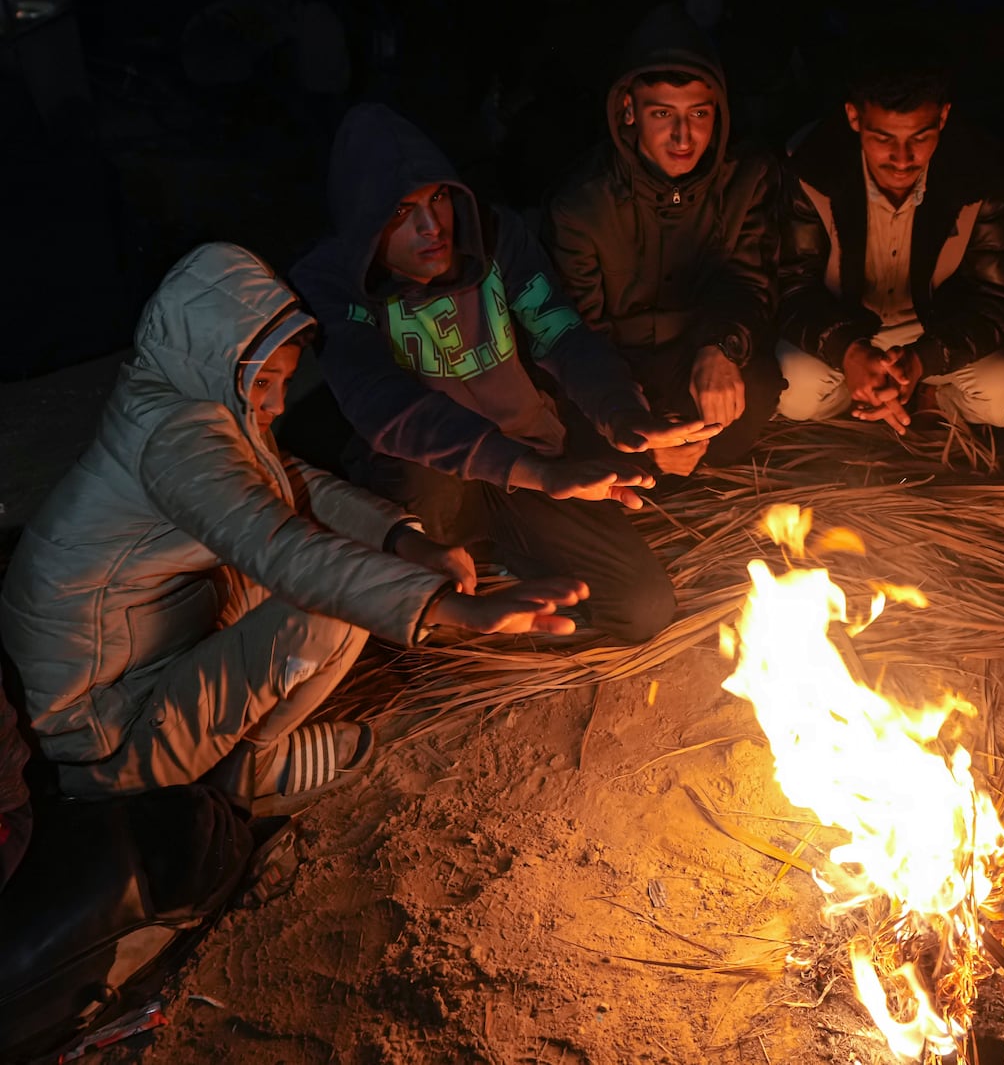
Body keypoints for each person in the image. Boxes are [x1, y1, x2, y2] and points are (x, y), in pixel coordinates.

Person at [0, 243, 586, 804]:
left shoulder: (176, 400)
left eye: (283, 383)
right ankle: (249, 766)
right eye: (263, 383)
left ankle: (234, 745)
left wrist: (404, 540)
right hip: (104, 733)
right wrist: (453, 607)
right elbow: (283, 549)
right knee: (332, 603)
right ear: (215, 357)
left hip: (120, 668)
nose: (278, 405)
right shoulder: (176, 441)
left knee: (330, 564)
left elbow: (294, 486)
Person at [293, 103, 715, 644]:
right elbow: (383, 406)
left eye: (439, 199)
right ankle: (453, 581)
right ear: (365, 220)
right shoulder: (333, 279)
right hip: (426, 482)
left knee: (643, 608)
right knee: (414, 629)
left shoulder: (491, 237)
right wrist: (534, 472)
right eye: (401, 212)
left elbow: (561, 333)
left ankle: (513, 558)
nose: (431, 227)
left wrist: (625, 415)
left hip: (529, 457)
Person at [543, 3, 782, 478]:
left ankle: (697, 464)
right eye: (662, 114)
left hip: (697, 355)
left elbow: (750, 285)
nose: (683, 135)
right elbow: (580, 335)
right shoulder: (583, 204)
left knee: (755, 391)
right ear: (628, 111)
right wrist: (645, 425)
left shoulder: (745, 179)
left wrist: (721, 348)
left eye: (698, 113)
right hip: (617, 367)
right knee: (586, 433)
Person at [775, 35, 1004, 433]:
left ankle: (930, 393)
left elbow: (1002, 298)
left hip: (938, 329)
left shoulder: (979, 170)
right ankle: (868, 398)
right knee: (793, 391)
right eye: (883, 139)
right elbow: (791, 284)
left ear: (943, 118)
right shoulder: (813, 165)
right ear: (854, 118)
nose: (901, 159)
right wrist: (847, 351)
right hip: (842, 325)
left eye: (920, 137)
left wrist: (925, 359)